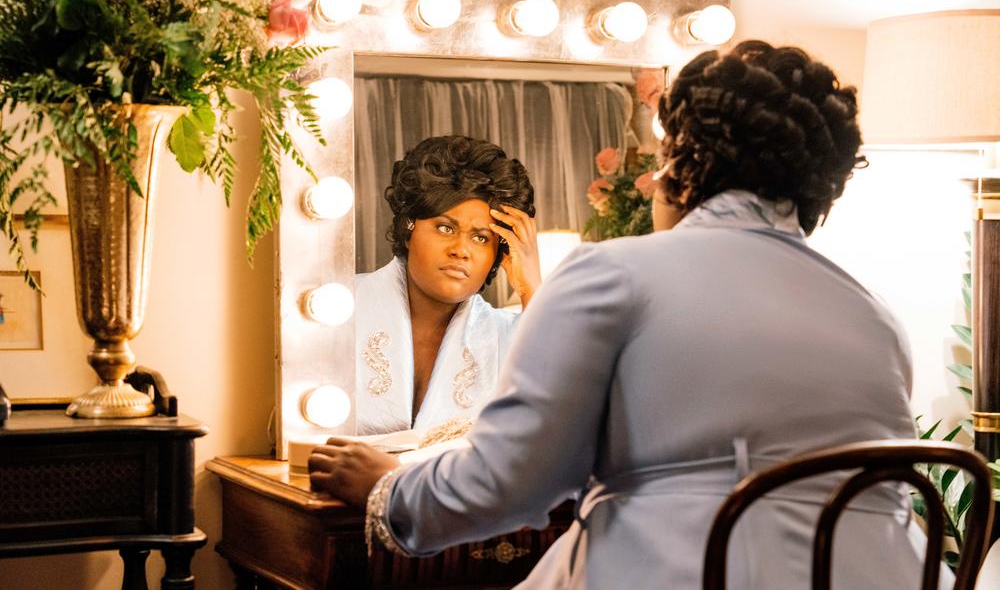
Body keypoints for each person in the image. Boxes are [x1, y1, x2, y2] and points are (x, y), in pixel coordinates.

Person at [311, 42, 935, 588]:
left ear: (681, 169)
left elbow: (505, 484)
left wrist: (386, 488)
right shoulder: (874, 318)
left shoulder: (610, 273)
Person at [353, 134, 540, 435]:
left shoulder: (508, 335)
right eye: (445, 227)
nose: (461, 250)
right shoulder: (341, 306)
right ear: (408, 227)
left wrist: (531, 286)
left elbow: (564, 416)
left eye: (481, 238)